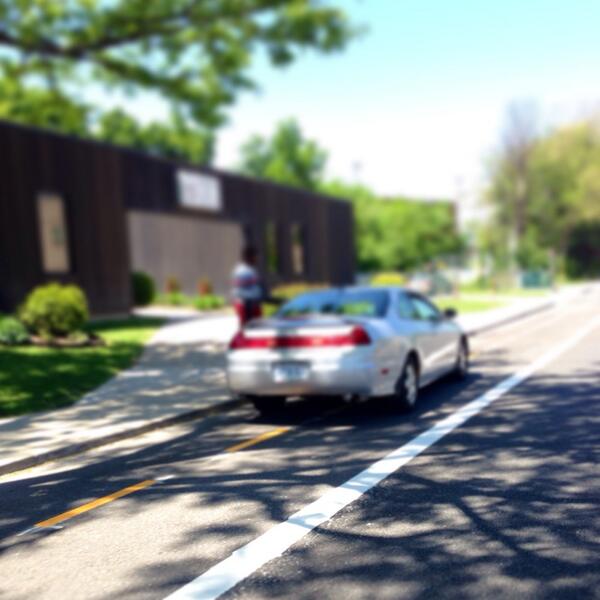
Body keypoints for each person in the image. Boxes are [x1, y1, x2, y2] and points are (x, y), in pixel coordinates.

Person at [230, 245, 266, 326]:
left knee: (257, 328)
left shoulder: (250, 269)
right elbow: (240, 291)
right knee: (249, 329)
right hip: (246, 306)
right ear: (249, 257)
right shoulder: (242, 271)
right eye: (255, 256)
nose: (257, 259)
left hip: (252, 304)